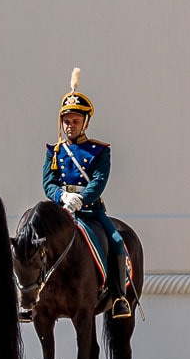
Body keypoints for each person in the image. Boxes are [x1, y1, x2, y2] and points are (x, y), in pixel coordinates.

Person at [44, 71, 133, 317]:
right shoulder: (54, 151)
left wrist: (81, 199)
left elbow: (99, 180)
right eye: (66, 121)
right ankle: (33, 299)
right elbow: (48, 183)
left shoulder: (99, 151)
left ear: (85, 123)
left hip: (91, 210)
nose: (69, 126)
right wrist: (62, 197)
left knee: (116, 241)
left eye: (75, 121)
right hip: (62, 211)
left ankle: (119, 297)